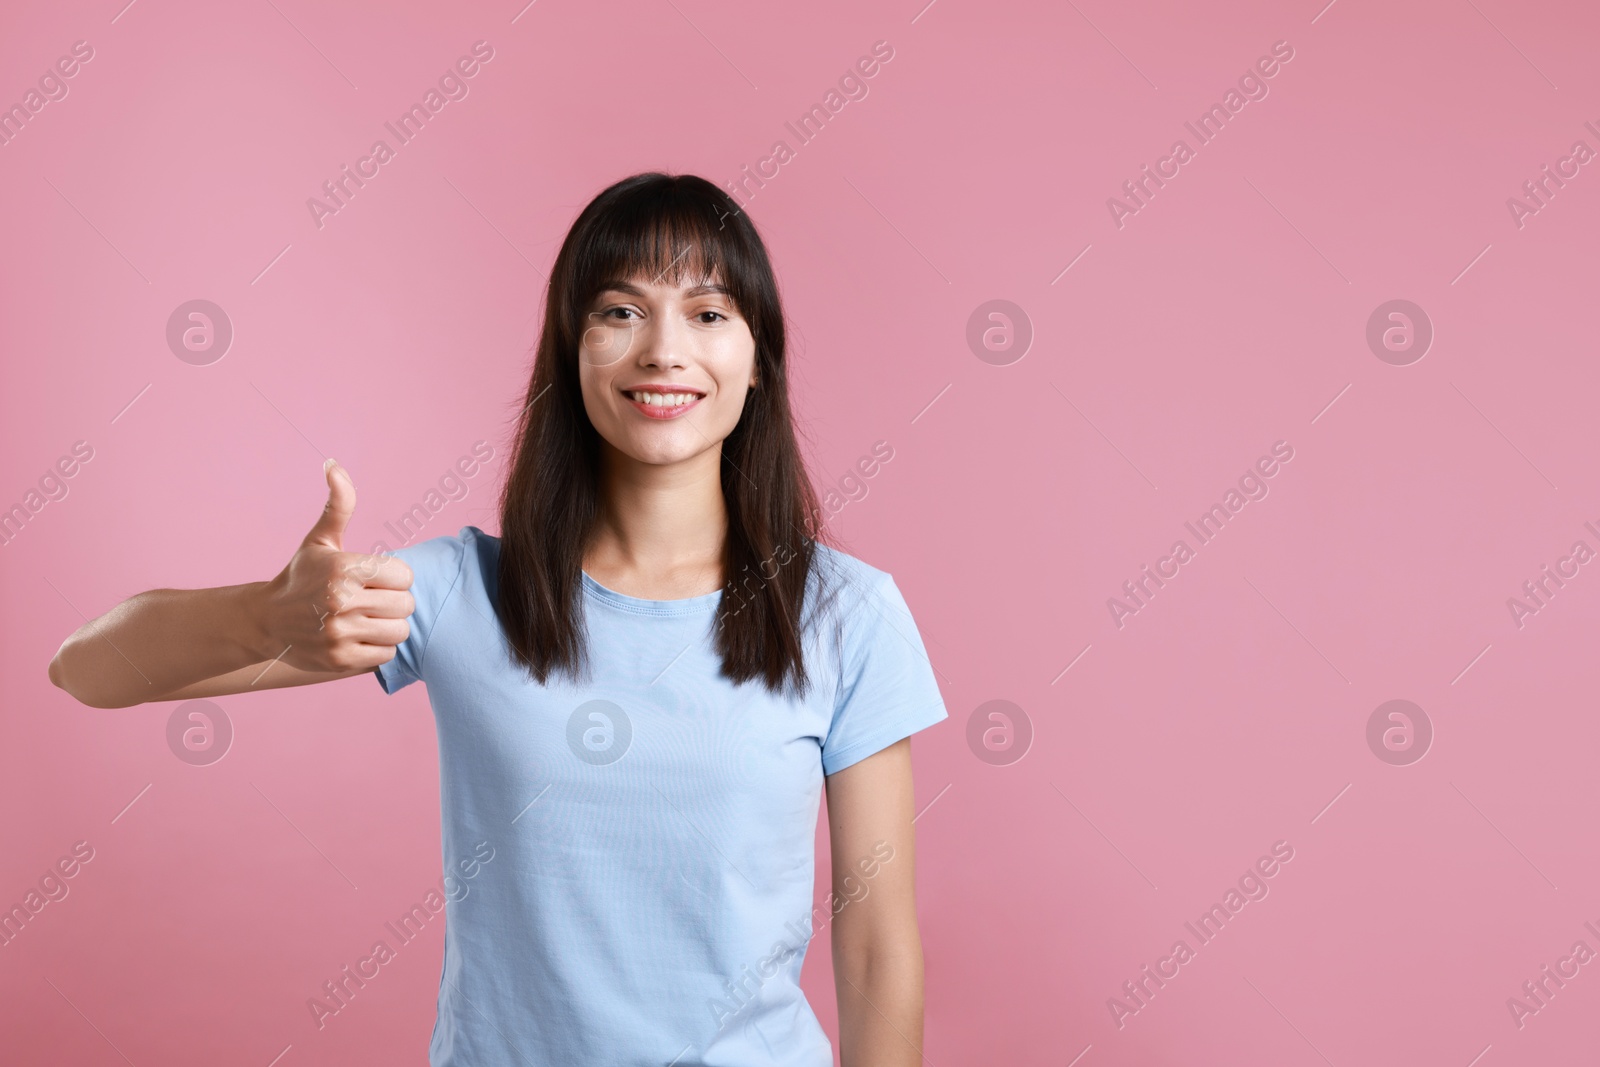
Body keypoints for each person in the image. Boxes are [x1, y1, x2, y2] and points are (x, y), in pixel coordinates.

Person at [49, 171, 948, 1066]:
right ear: (571, 351)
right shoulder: (459, 591)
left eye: (709, 313)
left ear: (759, 362)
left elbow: (874, 951)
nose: (665, 351)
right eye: (619, 311)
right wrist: (265, 614)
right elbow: (87, 668)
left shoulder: (845, 614)